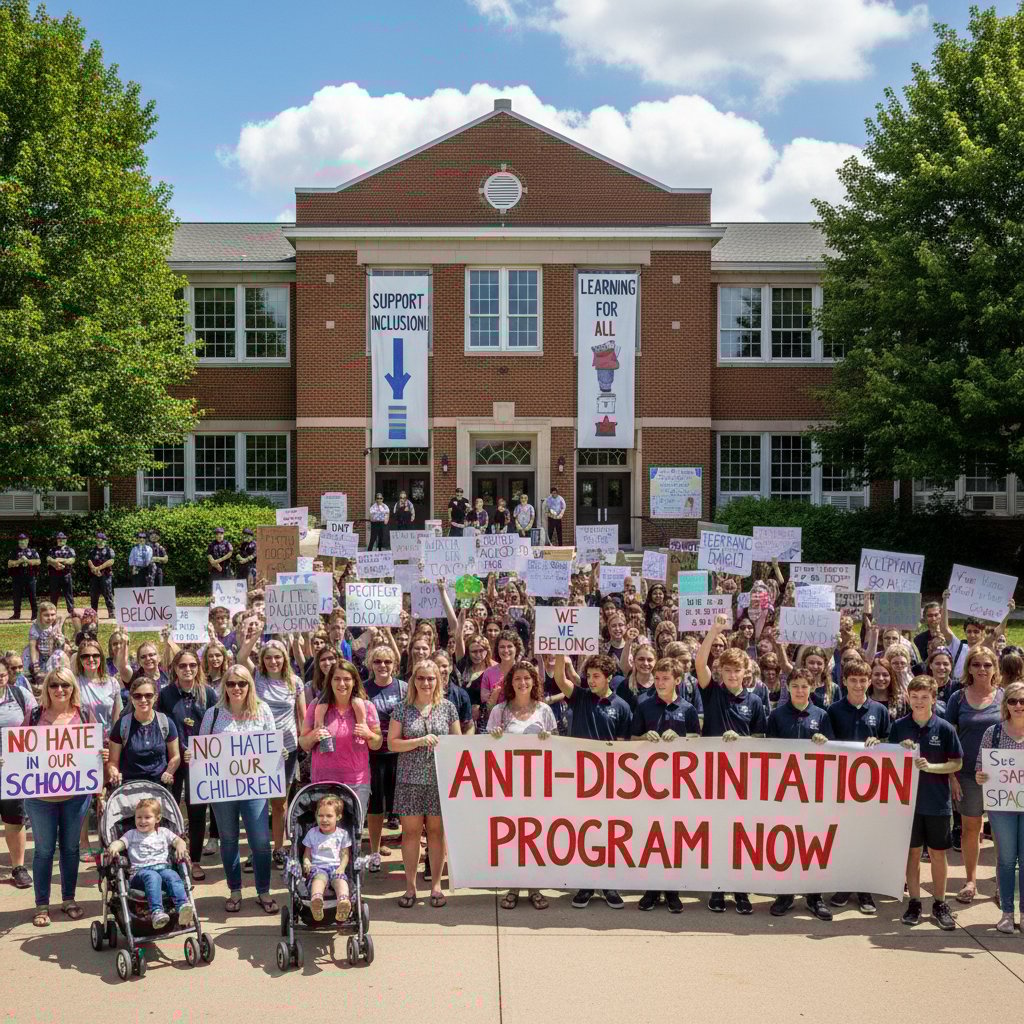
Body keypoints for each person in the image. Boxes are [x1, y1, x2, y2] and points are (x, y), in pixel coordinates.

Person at [20, 667, 106, 926]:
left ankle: (68, 899)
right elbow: (20, 747)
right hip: (40, 798)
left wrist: (100, 757)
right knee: (44, 851)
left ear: (73, 689)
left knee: (70, 849)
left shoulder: (83, 714)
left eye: (65, 685)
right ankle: (42, 904)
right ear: (47, 688)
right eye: (54, 685)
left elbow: (94, 748)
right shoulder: (34, 714)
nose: (60, 690)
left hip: (76, 796)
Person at [191, 665, 277, 914]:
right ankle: (235, 890)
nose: (236, 688)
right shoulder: (213, 714)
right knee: (228, 840)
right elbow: (203, 751)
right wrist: (193, 756)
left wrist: (276, 754)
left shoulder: (263, 711)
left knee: (260, 841)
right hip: (222, 790)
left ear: (250, 685)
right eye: (231, 684)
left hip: (254, 787)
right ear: (224, 687)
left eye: (242, 683)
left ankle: (263, 891)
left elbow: (270, 744)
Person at [696, 616, 767, 915]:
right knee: (716, 833)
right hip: (713, 777)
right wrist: (714, 631)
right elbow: (699, 664)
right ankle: (717, 886)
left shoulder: (756, 702)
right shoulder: (712, 691)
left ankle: (740, 888)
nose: (732, 674)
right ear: (720, 672)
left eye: (737, 669)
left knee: (741, 836)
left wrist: (742, 741)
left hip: (743, 779)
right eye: (727, 670)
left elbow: (763, 742)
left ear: (746, 672)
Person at [553, 653, 630, 909]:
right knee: (584, 831)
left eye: (597, 676)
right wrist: (561, 656)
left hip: (608, 781)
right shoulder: (581, 696)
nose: (592, 680)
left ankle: (608, 884)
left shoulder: (622, 706)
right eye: (589, 676)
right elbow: (559, 679)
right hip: (580, 778)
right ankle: (586, 884)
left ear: (609, 678)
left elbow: (623, 749)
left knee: (608, 833)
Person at [889, 675, 962, 930]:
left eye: (924, 697)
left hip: (936, 801)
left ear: (934, 698)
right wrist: (900, 749)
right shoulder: (898, 726)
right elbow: (889, 760)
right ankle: (915, 901)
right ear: (908, 697)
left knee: (938, 853)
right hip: (907, 802)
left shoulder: (944, 728)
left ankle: (940, 902)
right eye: (915, 696)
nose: (919, 701)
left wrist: (932, 767)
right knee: (912, 853)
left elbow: (957, 762)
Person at [388, 660, 461, 909]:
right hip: (410, 781)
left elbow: (457, 743)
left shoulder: (448, 708)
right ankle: (410, 887)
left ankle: (436, 886)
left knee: (436, 833)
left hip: (439, 780)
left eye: (431, 678)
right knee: (410, 834)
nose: (426, 683)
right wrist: (418, 741)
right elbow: (392, 743)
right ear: (414, 681)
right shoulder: (402, 709)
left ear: (438, 680)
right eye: (421, 678)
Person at [631, 657, 700, 914]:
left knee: (673, 837)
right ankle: (651, 888)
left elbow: (698, 741)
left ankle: (671, 890)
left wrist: (682, 739)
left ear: (677, 681)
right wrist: (643, 737)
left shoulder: (688, 709)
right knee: (651, 836)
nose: (660, 683)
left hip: (679, 784)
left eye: (666, 679)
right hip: (649, 784)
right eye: (657, 678)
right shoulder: (644, 706)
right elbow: (631, 738)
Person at [765, 669, 835, 921]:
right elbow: (767, 753)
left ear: (813, 687)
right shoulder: (776, 715)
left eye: (805, 686)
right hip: (783, 790)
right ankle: (785, 894)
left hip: (813, 791)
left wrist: (824, 743)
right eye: (795, 686)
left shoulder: (822, 716)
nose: (800, 690)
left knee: (812, 843)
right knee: (785, 841)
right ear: (788, 687)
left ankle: (814, 896)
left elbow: (834, 754)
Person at [487, 659, 556, 911]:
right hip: (509, 785)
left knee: (535, 837)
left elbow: (558, 748)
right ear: (510, 682)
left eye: (527, 678)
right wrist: (494, 738)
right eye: (517, 679)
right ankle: (513, 887)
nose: (522, 682)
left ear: (534, 681)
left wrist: (549, 739)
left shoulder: (544, 711)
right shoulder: (500, 711)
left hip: (538, 785)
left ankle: (535, 888)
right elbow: (486, 749)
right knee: (513, 837)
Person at [826, 658, 891, 915]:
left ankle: (864, 888)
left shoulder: (880, 711)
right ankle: (844, 884)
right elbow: (829, 745)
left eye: (863, 680)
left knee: (865, 835)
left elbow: (889, 744)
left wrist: (881, 744)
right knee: (841, 834)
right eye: (853, 680)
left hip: (870, 785)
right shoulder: (833, 710)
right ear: (844, 681)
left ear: (869, 681)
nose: (858, 684)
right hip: (841, 783)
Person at [945, 645, 1003, 904]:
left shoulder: (1006, 698)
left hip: (1002, 775)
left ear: (995, 669)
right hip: (967, 774)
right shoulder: (957, 699)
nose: (982, 669)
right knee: (971, 828)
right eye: (977, 664)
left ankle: (1003, 884)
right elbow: (948, 739)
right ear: (968, 667)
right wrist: (951, 776)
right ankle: (970, 880)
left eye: (987, 665)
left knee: (1003, 831)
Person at [245, 639, 307, 867]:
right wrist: (251, 633)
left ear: (285, 658)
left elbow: (302, 715)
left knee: (280, 802)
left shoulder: (295, 682)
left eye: (277, 657)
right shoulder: (256, 678)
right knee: (257, 801)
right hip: (258, 747)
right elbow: (241, 659)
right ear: (262, 659)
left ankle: (279, 848)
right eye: (268, 657)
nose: (273, 661)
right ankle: (257, 849)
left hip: (287, 749)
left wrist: (304, 743)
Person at [158, 650, 218, 881]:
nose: (188, 669)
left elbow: (216, 725)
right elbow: (161, 725)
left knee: (197, 811)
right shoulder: (165, 695)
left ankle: (194, 860)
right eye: (182, 665)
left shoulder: (208, 693)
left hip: (200, 761)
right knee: (169, 810)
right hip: (173, 759)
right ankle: (172, 858)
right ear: (175, 668)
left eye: (192, 665)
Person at [299, 660, 382, 827]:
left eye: (346, 679)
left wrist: (369, 734)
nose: (342, 684)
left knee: (353, 833)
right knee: (326, 835)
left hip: (357, 782)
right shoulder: (317, 706)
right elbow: (303, 744)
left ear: (354, 681)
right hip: (323, 782)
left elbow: (377, 744)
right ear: (330, 681)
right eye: (336, 679)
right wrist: (314, 735)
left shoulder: (367, 707)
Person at [975, 681, 1024, 934]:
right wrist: (982, 776)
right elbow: (980, 769)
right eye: (1012, 701)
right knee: (1006, 860)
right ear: (1005, 705)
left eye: (1022, 701)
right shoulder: (993, 733)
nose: (1018, 706)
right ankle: (1007, 912)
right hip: (1002, 805)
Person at [105, 797, 193, 929]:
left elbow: (178, 840)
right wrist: (114, 846)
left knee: (173, 875)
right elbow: (120, 843)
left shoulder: (163, 832)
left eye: (147, 817)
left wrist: (181, 846)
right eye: (139, 817)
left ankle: (182, 907)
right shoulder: (131, 834)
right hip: (140, 874)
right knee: (153, 876)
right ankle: (156, 911)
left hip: (163, 869)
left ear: (157, 819)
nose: (142, 821)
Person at [362, 645, 407, 871]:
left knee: (403, 805)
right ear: (371, 664)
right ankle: (374, 851)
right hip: (373, 754)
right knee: (376, 805)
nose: (383, 666)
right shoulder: (363, 689)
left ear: (394, 665)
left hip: (401, 753)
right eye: (378, 661)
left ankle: (409, 851)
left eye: (387, 662)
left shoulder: (404, 688)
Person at [107, 676, 181, 787]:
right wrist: (114, 773)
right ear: (131, 698)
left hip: (159, 785)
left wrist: (169, 772)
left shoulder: (166, 723)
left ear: (155, 697)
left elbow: (175, 756)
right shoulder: (122, 725)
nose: (143, 700)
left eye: (148, 695)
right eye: (137, 696)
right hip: (130, 786)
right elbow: (113, 761)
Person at [0, 655, 34, 889]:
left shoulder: (21, 695)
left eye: (1, 675)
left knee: (15, 819)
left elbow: (38, 722)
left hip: (13, 770)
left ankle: (18, 867)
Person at [303, 795, 352, 922]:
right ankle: (316, 901)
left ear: (338, 817)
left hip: (336, 867)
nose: (324, 819)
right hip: (318, 867)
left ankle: (343, 901)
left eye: (329, 816)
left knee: (340, 880)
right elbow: (307, 853)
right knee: (319, 879)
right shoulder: (312, 833)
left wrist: (342, 868)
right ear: (316, 816)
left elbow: (345, 854)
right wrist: (306, 862)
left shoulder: (342, 834)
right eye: (320, 816)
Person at [7, 533, 40, 621]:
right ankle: (16, 614)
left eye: (24, 540)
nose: (22, 542)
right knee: (16, 596)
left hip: (30, 576)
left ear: (27, 541)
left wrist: (28, 561)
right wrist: (19, 561)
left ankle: (35, 615)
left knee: (32, 596)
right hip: (17, 577)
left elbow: (38, 561)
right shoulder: (14, 551)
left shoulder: (32, 551)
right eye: (20, 540)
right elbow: (9, 564)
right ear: (18, 541)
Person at [86, 531, 116, 616]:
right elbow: (89, 560)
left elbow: (111, 561)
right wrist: (93, 569)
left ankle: (111, 612)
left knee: (108, 594)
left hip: (106, 575)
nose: (100, 541)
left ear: (105, 541)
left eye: (102, 540)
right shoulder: (92, 550)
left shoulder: (109, 550)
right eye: (98, 540)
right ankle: (93, 613)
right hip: (94, 576)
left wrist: (99, 568)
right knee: (94, 595)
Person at [46, 532, 75, 614]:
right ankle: (52, 612)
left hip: (66, 575)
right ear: (57, 540)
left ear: (66, 540)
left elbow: (72, 560)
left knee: (68, 594)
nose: (61, 540)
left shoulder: (70, 550)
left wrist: (60, 560)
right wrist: (56, 564)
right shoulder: (52, 550)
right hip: (54, 575)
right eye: (59, 538)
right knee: (54, 595)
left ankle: (71, 612)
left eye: (63, 539)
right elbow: (48, 559)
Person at [206, 527, 233, 592]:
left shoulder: (227, 543)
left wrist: (218, 561)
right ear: (215, 535)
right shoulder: (211, 544)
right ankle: (215, 600)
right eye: (218, 534)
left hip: (226, 568)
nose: (219, 536)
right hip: (215, 569)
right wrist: (216, 565)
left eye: (221, 534)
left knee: (227, 585)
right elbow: (209, 555)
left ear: (223, 535)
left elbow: (230, 553)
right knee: (215, 585)